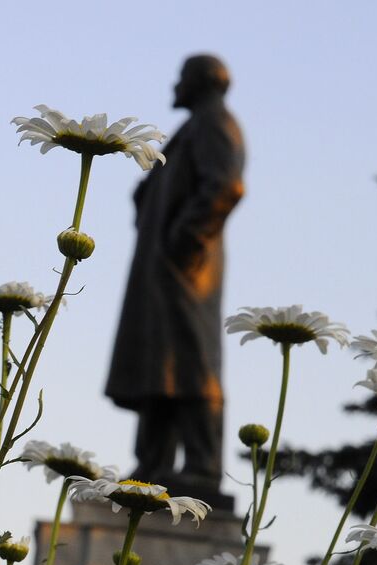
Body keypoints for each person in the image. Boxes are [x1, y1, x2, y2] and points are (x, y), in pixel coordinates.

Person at [105, 54, 246, 507]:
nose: (175, 85)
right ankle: (154, 462)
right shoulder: (194, 127)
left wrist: (184, 241)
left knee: (191, 360)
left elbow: (225, 186)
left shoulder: (215, 124)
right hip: (164, 264)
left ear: (203, 83)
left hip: (187, 267)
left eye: (182, 77)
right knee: (157, 362)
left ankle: (202, 467)